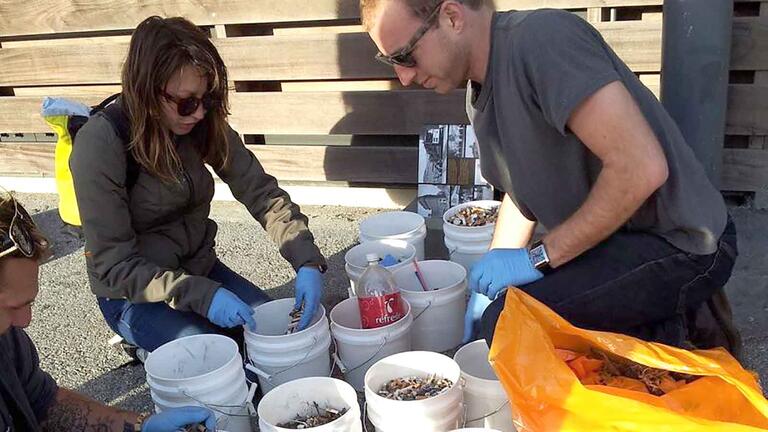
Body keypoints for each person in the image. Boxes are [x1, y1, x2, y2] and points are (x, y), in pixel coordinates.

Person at [361, 0, 740, 352]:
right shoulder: (477, 96)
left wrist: (535, 260)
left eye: (404, 56)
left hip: (681, 242)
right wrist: (495, 271)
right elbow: (522, 189)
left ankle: (677, 334)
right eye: (388, 61)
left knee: (511, 324)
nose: (404, 77)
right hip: (615, 240)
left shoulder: (542, 40)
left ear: (452, 17)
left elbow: (641, 167)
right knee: (502, 312)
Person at [70, 16, 327, 357]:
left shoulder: (202, 122)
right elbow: (113, 267)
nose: (200, 113)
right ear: (147, 90)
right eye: (187, 102)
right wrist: (203, 296)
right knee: (223, 359)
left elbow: (260, 192)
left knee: (280, 342)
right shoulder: (101, 144)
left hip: (200, 270)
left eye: (209, 99)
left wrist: (306, 260)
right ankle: (143, 344)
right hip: (135, 295)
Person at [0, 192, 217, 431]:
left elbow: (45, 404)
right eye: (10, 307)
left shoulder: (8, 340)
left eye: (28, 304)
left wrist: (139, 426)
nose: (25, 320)